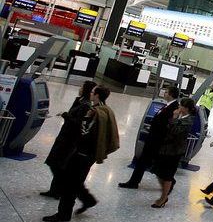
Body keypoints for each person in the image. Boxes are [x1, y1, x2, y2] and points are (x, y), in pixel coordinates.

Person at [43, 86, 119, 222]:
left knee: (69, 186)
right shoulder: (107, 110)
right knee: (75, 183)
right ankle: (87, 200)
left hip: (81, 154)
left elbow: (85, 133)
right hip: (89, 155)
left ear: (96, 95)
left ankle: (63, 215)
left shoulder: (94, 112)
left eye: (92, 92)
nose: (90, 94)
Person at [41, 80, 97, 199]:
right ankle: (54, 190)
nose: (80, 88)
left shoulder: (86, 105)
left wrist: (65, 115)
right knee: (53, 162)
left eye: (82, 86)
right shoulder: (79, 101)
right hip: (64, 135)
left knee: (58, 164)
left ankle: (59, 190)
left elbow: (78, 123)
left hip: (70, 139)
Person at [119, 87, 179, 189]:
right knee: (144, 161)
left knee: (156, 164)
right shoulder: (167, 105)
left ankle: (170, 181)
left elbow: (167, 125)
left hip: (157, 141)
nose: (164, 93)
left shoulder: (174, 108)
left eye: (166, 92)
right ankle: (133, 182)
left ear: (171, 94)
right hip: (152, 139)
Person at [151, 97, 196, 208]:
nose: (178, 107)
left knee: (167, 175)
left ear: (186, 108)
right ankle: (166, 189)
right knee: (158, 171)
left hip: (174, 151)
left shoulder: (188, 120)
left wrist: (174, 118)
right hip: (165, 148)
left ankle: (163, 197)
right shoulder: (180, 116)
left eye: (181, 105)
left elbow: (175, 131)